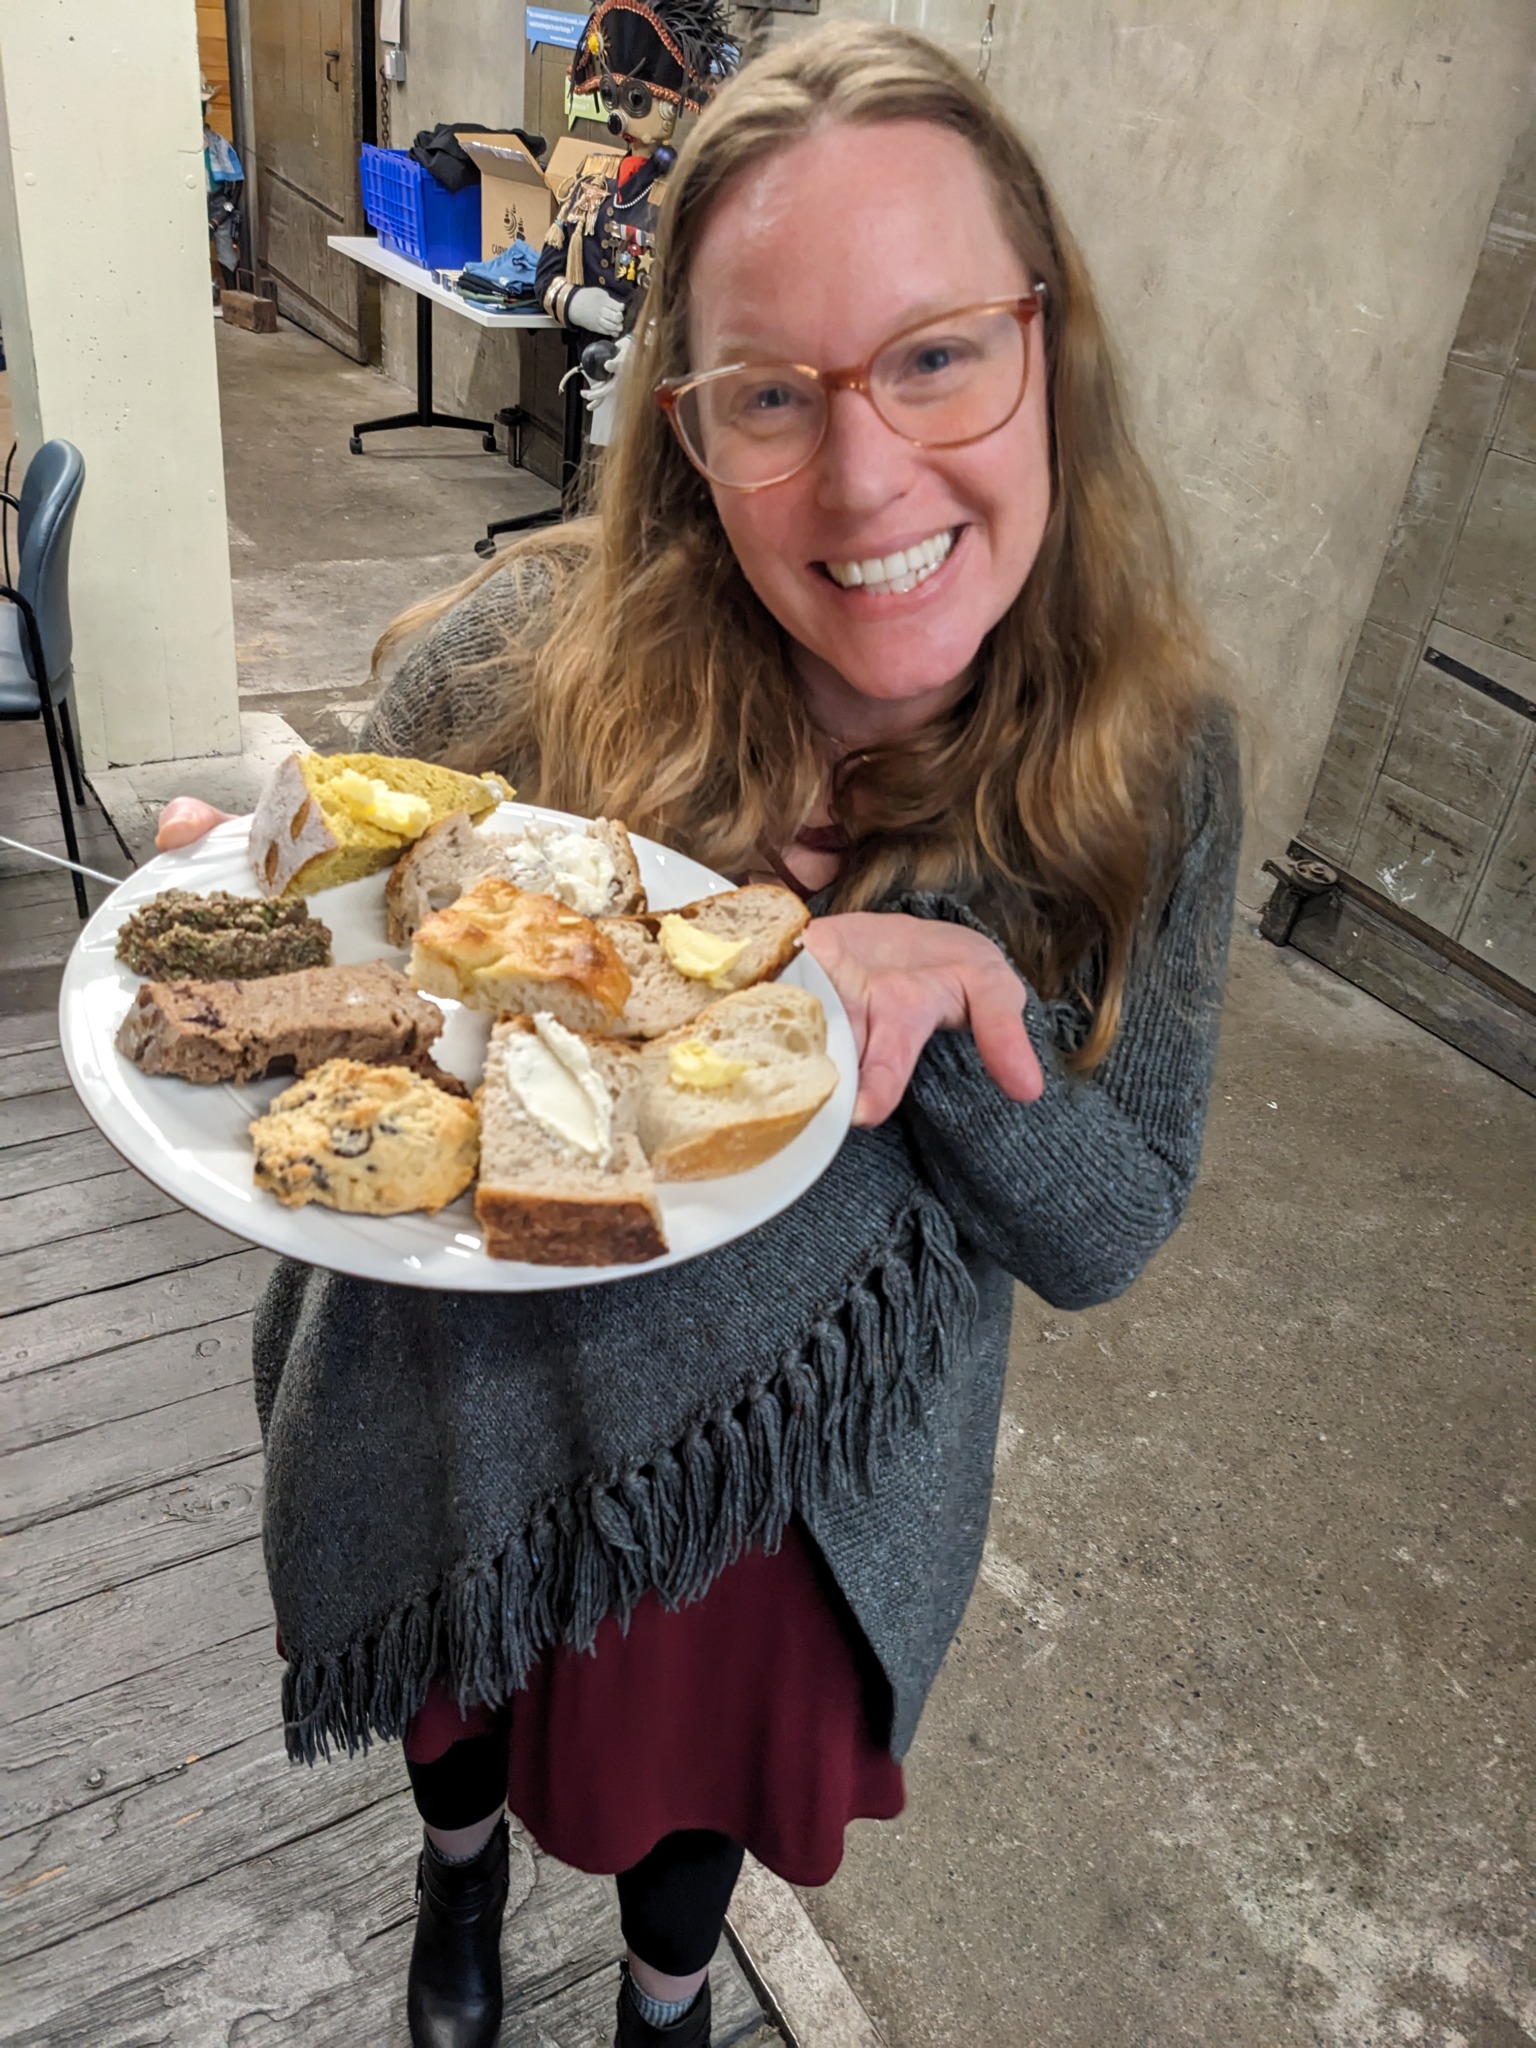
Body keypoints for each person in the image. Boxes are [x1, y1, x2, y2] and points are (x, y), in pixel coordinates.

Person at [158, 23, 1241, 2048]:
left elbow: (1107, 1229)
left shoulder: (1150, 773)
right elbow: (345, 934)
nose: (863, 473)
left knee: (691, 1806)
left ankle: (670, 2002)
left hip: (793, 1471)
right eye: (770, 392)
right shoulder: (518, 655)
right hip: (464, 1398)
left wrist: (956, 1006)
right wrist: (258, 892)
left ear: (1049, 349)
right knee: (462, 1703)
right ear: (684, 427)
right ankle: (455, 1889)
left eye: (936, 352)